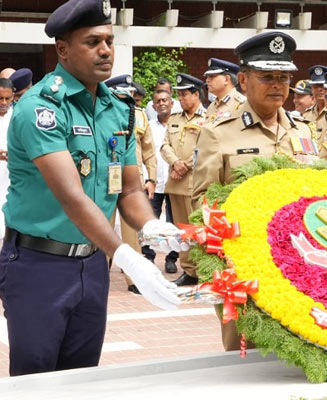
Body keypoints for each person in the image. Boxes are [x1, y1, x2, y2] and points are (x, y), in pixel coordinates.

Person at [0, 0, 180, 377]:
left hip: (92, 263)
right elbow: (72, 197)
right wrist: (127, 256)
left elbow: (129, 189)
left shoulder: (118, 109)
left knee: (84, 376)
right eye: (92, 41)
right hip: (39, 265)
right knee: (37, 379)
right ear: (62, 49)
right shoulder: (41, 108)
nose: (106, 50)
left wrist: (150, 227)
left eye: (110, 41)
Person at [192, 31, 316, 351]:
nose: (278, 84)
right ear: (243, 80)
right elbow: (201, 200)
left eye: (283, 77)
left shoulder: (301, 131)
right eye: (267, 77)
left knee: (297, 347)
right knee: (242, 353)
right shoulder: (218, 133)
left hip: (300, 262)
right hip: (244, 264)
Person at [105, 74, 159, 293]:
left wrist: (151, 178)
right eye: (122, 94)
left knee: (133, 232)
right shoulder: (100, 113)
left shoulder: (138, 115)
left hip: (133, 181)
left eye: (130, 95)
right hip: (106, 178)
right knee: (103, 226)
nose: (128, 98)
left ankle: (133, 279)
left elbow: (149, 150)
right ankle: (100, 272)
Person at [161, 73, 206, 286]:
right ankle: (189, 271)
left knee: (198, 229)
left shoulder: (207, 119)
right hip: (176, 183)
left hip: (195, 183)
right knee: (182, 230)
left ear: (196, 95)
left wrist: (184, 165)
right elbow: (164, 145)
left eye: (185, 94)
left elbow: (204, 149)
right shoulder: (175, 119)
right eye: (179, 94)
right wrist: (175, 162)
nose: (181, 98)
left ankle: (203, 270)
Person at [141, 88, 178, 273]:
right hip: (154, 183)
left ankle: (172, 259)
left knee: (174, 223)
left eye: (165, 100)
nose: (162, 103)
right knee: (149, 221)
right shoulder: (149, 126)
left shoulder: (180, 125)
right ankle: (148, 256)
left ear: (171, 103)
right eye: (158, 101)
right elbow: (146, 154)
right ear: (154, 106)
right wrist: (148, 178)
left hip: (175, 182)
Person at [302, 64, 327, 135]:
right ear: (311, 88)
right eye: (316, 86)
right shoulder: (306, 115)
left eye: (323, 86)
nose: (319, 89)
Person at [0, 78, 13, 232]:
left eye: (7, 98)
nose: (4, 102)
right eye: (0, 98)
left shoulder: (18, 115)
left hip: (11, 177)